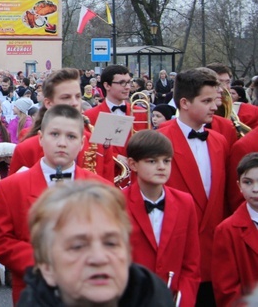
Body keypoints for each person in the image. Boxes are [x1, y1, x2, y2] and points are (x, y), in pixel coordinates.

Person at [0, 104, 110, 304]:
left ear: (82, 143)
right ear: (41, 138)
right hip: (33, 290)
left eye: (71, 137)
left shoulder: (102, 189)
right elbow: (0, 240)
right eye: (54, 134)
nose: (62, 143)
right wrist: (43, 263)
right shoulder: (10, 187)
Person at [18, 181, 174, 306]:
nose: (99, 258)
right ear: (47, 267)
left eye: (111, 243)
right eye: (78, 246)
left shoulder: (155, 296)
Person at [157, 67, 228, 306]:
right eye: (206, 101)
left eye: (214, 100)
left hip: (214, 258)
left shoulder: (220, 141)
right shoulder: (159, 139)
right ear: (185, 103)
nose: (214, 107)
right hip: (175, 258)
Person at [123, 130, 200, 307]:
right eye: (152, 161)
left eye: (166, 161)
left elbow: (191, 264)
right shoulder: (117, 203)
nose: (161, 167)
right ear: (133, 164)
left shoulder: (185, 202)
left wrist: (183, 302)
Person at [213, 152, 258, 306]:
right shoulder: (227, 230)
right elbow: (227, 290)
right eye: (248, 182)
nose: (255, 189)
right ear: (239, 185)